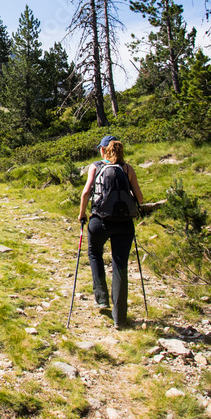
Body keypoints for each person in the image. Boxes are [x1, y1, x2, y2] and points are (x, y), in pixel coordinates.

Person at [78, 135, 144, 328]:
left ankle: (101, 298)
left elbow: (85, 192)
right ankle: (120, 318)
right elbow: (139, 198)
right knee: (120, 265)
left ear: (103, 150)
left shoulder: (96, 166)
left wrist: (82, 214)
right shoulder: (127, 169)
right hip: (124, 224)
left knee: (94, 253)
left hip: (100, 221)